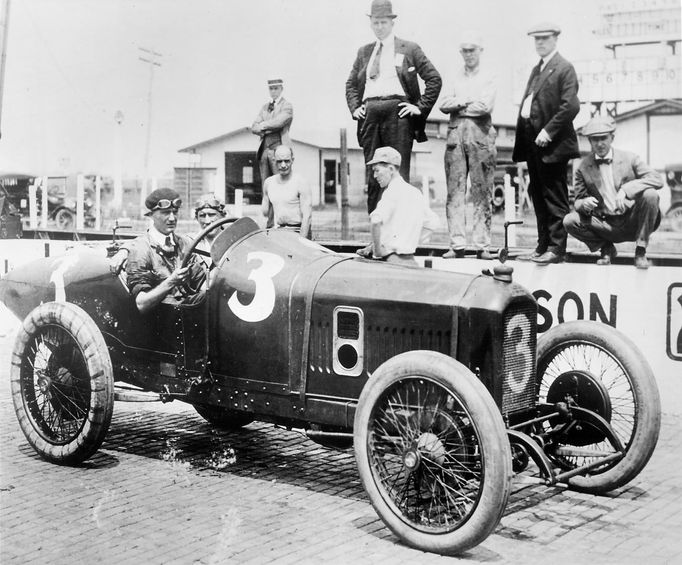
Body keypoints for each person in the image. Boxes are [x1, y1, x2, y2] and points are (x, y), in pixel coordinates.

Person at [345, 0, 442, 214]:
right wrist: (355, 107)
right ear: (371, 24)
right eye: (375, 22)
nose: (379, 26)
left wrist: (420, 107)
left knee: (397, 175)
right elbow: (351, 84)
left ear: (392, 22)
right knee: (374, 175)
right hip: (370, 115)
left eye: (383, 22)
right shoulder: (364, 52)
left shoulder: (409, 48)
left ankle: (399, 237)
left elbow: (434, 79)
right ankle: (376, 239)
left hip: (397, 116)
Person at [512, 23, 580, 265]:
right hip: (533, 142)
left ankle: (556, 247)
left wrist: (549, 131)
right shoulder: (538, 69)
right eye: (536, 39)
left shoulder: (564, 67)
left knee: (554, 195)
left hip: (551, 144)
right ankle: (543, 245)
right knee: (538, 194)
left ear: (555, 39)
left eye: (544, 38)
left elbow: (571, 105)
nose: (540, 43)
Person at [563, 116, 662, 269]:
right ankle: (606, 248)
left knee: (651, 195)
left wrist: (626, 190)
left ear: (612, 138)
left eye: (603, 138)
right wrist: (584, 204)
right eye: (595, 139)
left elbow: (657, 179)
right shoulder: (583, 167)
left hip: (632, 221)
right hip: (605, 224)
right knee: (569, 221)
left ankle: (640, 251)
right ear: (589, 141)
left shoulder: (630, 158)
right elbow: (578, 201)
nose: (600, 143)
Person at [440, 32, 497, 260]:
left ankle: (482, 245)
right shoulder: (455, 77)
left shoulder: (489, 76)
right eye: (464, 50)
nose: (468, 54)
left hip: (480, 138)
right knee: (455, 193)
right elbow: (443, 105)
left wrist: (457, 106)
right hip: (455, 139)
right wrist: (464, 102)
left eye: (472, 49)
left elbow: (485, 106)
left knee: (481, 192)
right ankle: (457, 244)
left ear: (480, 51)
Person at [125, 188, 205, 314]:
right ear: (151, 215)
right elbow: (141, 304)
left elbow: (203, 284)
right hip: (162, 320)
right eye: (166, 213)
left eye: (175, 212)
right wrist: (172, 281)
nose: (172, 218)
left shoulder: (185, 244)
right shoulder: (140, 249)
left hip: (188, 314)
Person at [360, 146, 440, 267]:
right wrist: (407, 241)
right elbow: (433, 223)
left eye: (377, 170)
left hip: (392, 263)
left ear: (391, 169)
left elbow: (375, 221)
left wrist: (377, 252)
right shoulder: (415, 192)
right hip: (411, 262)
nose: (375, 176)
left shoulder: (391, 192)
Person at [251, 78, 294, 227]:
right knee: (267, 189)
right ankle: (269, 226)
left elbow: (280, 122)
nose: (273, 91)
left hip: (279, 149)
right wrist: (266, 126)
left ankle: (281, 223)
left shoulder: (287, 106)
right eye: (271, 89)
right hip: (265, 151)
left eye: (276, 88)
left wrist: (263, 125)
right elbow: (253, 126)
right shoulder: (265, 107)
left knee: (281, 186)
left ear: (281, 89)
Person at [261, 145, 312, 239]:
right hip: (280, 232)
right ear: (273, 161)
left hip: (298, 231)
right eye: (279, 161)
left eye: (287, 161)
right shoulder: (268, 183)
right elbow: (264, 215)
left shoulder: (301, 182)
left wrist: (301, 242)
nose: (283, 165)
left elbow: (307, 217)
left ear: (292, 160)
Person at [190, 195, 229, 267]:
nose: (207, 221)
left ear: (222, 217)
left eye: (211, 215)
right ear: (197, 218)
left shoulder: (232, 241)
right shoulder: (189, 242)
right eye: (202, 215)